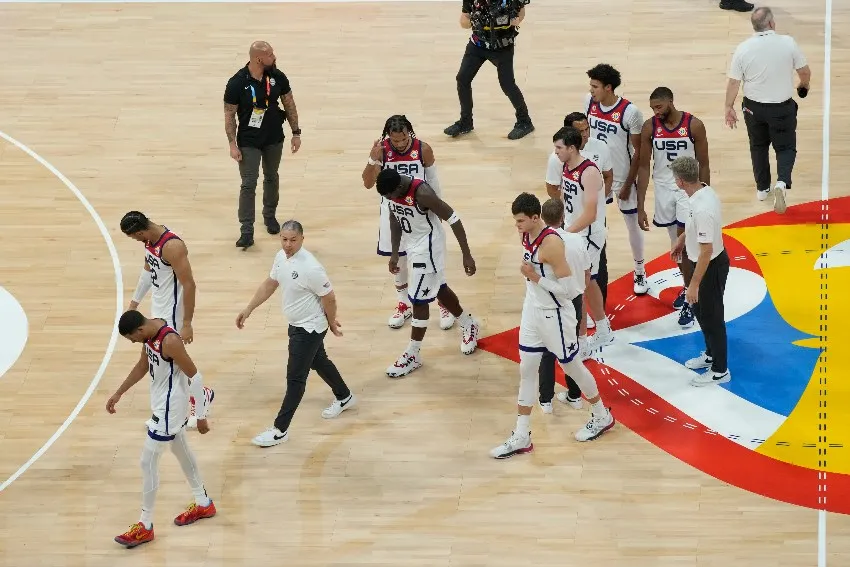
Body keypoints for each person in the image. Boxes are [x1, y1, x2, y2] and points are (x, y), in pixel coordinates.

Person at [490, 192, 614, 459]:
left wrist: (535, 277)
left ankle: (601, 414)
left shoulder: (553, 245)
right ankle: (522, 434)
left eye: (521, 221)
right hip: (532, 310)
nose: (517, 226)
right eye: (516, 221)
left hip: (556, 314)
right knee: (527, 368)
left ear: (536, 218)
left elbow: (569, 290)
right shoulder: (526, 235)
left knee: (571, 366)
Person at [236, 221, 356, 448]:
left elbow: (329, 297)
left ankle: (280, 430)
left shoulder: (311, 267)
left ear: (302, 239)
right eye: (284, 239)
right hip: (298, 325)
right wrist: (248, 309)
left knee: (295, 379)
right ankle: (344, 396)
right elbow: (270, 284)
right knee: (318, 360)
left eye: (293, 240)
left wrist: (331, 322)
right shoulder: (281, 258)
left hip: (309, 328)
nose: (288, 244)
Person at [108, 310, 216, 548]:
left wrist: (201, 416)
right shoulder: (148, 336)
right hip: (163, 405)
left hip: (170, 409)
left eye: (132, 338)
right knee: (181, 451)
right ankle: (203, 502)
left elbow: (195, 377)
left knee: (147, 463)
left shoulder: (170, 341)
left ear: (139, 330)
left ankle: (145, 525)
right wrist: (119, 393)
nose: (134, 342)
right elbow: (141, 366)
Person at [375, 168, 481, 377]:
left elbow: (454, 219)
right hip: (414, 246)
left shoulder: (422, 193)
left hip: (430, 248)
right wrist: (395, 252)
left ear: (398, 188)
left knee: (418, 301)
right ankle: (469, 324)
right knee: (439, 289)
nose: (389, 200)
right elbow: (395, 220)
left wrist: (466, 254)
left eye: (390, 196)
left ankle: (413, 353)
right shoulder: (392, 191)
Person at [120, 211, 215, 430]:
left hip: (173, 313)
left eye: (134, 237)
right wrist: (134, 303)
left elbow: (189, 284)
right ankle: (197, 396)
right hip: (158, 310)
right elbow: (148, 272)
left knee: (173, 364)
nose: (136, 241)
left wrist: (187, 323)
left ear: (141, 231)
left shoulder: (172, 247)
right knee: (164, 363)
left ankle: (193, 405)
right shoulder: (150, 241)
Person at [361, 115, 455, 331]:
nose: (401, 144)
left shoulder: (423, 149)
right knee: (399, 259)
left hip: (420, 211)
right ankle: (404, 302)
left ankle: (443, 301)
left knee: (432, 258)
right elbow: (367, 184)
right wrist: (372, 160)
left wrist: (438, 209)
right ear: (388, 137)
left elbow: (433, 182)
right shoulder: (381, 151)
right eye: (396, 141)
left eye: (404, 139)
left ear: (409, 133)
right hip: (393, 211)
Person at [635, 87, 711, 329]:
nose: (656, 112)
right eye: (652, 108)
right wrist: (640, 205)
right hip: (663, 188)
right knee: (676, 247)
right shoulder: (650, 127)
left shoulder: (693, 125)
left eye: (659, 106)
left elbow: (704, 164)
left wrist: (704, 194)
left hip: (686, 189)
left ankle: (692, 296)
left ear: (670, 101)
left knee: (684, 243)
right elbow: (644, 167)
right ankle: (689, 286)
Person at [725, 7, 810, 215]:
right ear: (772, 24)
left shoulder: (743, 48)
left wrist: (728, 107)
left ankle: (763, 188)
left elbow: (734, 82)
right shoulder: (788, 43)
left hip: (753, 109)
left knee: (758, 146)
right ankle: (781, 183)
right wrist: (803, 86)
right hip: (782, 108)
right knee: (786, 147)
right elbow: (804, 72)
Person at [224, 40, 302, 249]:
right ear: (259, 58)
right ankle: (246, 230)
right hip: (249, 141)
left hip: (274, 137)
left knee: (271, 177)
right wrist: (232, 143)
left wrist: (296, 133)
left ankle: (269, 216)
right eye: (270, 55)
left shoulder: (278, 77)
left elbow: (289, 104)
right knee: (249, 183)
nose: (274, 58)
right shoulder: (237, 83)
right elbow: (229, 115)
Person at [545, 111, 613, 329]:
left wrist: (566, 233)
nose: (555, 152)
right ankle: (603, 328)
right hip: (576, 231)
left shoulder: (590, 172)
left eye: (559, 148)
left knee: (579, 285)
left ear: (571, 149)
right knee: (589, 281)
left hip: (589, 234)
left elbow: (591, 213)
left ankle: (582, 339)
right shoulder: (566, 166)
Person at [584, 63, 648, 295]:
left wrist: (629, 184)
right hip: (596, 175)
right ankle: (592, 271)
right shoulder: (588, 103)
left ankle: (640, 271)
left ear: (608, 88)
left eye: (595, 86)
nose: (591, 90)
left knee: (631, 225)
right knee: (595, 224)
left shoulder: (631, 113)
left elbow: (639, 153)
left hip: (622, 178)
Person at [669, 157, 731, 387]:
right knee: (702, 312)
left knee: (713, 317)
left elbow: (707, 251)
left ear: (681, 181)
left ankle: (720, 370)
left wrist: (693, 284)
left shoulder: (703, 208)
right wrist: (682, 240)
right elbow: (694, 225)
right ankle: (710, 354)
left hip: (710, 267)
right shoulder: (702, 191)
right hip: (704, 263)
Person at [444, 0, 534, 140]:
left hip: (502, 48)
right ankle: (466, 122)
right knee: (462, 79)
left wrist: (512, 21)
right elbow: (464, 20)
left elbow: (521, 14)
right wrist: (476, 20)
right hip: (477, 45)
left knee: (507, 84)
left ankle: (525, 121)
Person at [537, 197, 591, 413]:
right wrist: (579, 290)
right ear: (563, 217)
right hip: (574, 300)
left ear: (541, 218)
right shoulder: (578, 241)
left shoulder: (540, 244)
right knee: (571, 347)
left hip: (551, 301)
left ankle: (546, 400)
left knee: (547, 350)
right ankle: (575, 396)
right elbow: (587, 275)